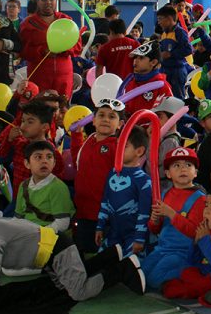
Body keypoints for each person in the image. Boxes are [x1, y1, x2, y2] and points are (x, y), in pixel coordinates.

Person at [0, 217, 145, 314]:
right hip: (50, 254)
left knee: (78, 292)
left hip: (57, 250)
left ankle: (124, 269)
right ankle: (111, 256)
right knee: (61, 289)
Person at [143, 147, 206, 290]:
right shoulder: (165, 194)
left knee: (154, 279)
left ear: (195, 173)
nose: (183, 169)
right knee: (143, 272)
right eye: (176, 165)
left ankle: (194, 275)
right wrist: (154, 220)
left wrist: (171, 213)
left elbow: (195, 232)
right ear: (168, 174)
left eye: (188, 165)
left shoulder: (201, 199)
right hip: (162, 248)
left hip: (184, 252)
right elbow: (155, 229)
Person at [71, 99, 125, 253]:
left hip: (103, 215)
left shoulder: (118, 146)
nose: (106, 119)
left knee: (99, 254)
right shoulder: (89, 139)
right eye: (101, 115)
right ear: (93, 120)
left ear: (120, 124)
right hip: (82, 210)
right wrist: (76, 136)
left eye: (112, 116)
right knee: (81, 250)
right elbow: (78, 161)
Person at [95, 125, 152, 257]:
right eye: (118, 144)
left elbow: (144, 212)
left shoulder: (144, 180)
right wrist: (100, 226)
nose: (118, 149)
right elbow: (105, 201)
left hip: (133, 237)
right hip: (113, 234)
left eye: (124, 146)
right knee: (101, 264)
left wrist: (139, 238)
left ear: (139, 151)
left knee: (128, 269)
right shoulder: (112, 173)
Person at [20, 0, 82, 100]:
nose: (48, 2)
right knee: (39, 109)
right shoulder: (28, 23)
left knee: (62, 109)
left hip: (64, 74)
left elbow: (77, 46)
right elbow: (23, 51)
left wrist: (63, 50)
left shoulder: (66, 20)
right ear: (38, 1)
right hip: (39, 74)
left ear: (55, 0)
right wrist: (42, 51)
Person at [13, 141, 74, 232]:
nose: (44, 161)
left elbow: (62, 222)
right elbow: (18, 217)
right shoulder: (23, 185)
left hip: (48, 238)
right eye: (38, 157)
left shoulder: (58, 187)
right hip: (26, 234)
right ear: (27, 163)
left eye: (49, 157)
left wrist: (38, 234)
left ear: (54, 163)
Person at [121, 41, 173, 118]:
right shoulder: (130, 82)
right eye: (135, 57)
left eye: (141, 58)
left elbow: (169, 116)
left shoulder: (162, 87)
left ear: (153, 62)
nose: (136, 61)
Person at [156, 5, 193, 98]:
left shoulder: (180, 32)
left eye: (160, 19)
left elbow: (189, 49)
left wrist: (170, 54)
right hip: (164, 70)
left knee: (178, 98)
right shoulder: (164, 33)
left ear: (169, 18)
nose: (159, 22)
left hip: (177, 71)